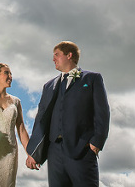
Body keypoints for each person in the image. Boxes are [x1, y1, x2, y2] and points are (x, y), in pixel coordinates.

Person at [25, 41, 110, 187]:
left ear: (69, 55)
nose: (53, 59)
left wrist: (96, 142)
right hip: (54, 152)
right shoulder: (49, 86)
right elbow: (41, 119)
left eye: (57, 55)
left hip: (82, 149)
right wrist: (33, 151)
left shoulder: (92, 79)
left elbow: (102, 112)